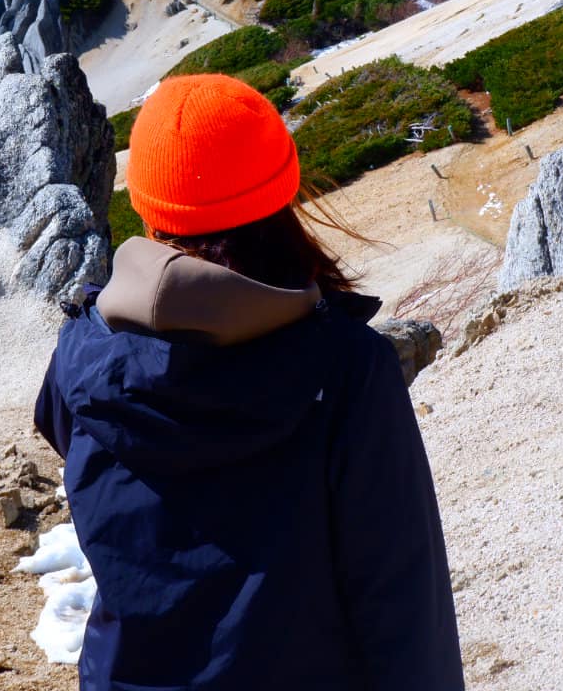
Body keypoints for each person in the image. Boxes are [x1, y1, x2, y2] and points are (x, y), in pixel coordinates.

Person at [35, 73, 465, 690]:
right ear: (281, 187)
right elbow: (401, 603)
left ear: (149, 204)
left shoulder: (79, 356)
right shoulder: (348, 369)